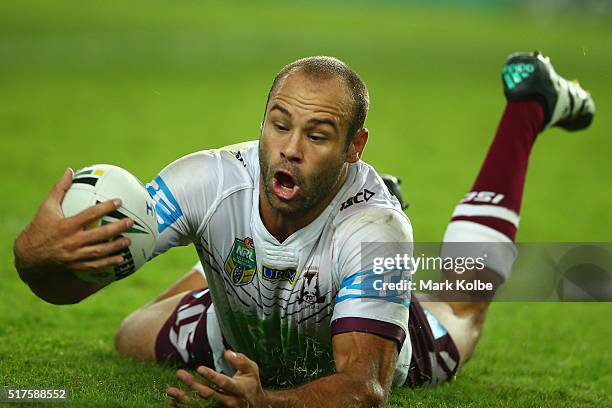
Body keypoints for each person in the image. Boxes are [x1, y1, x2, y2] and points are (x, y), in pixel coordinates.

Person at [13, 52, 595, 407]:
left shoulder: (378, 230)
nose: (288, 149)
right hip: (236, 331)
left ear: (352, 148)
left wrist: (263, 403)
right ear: (262, 122)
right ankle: (237, 262)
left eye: (317, 136)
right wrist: (34, 258)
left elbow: (364, 391)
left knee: (464, 308)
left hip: (373, 332)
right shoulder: (207, 180)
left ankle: (530, 103)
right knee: (129, 336)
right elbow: (66, 287)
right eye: (279, 125)